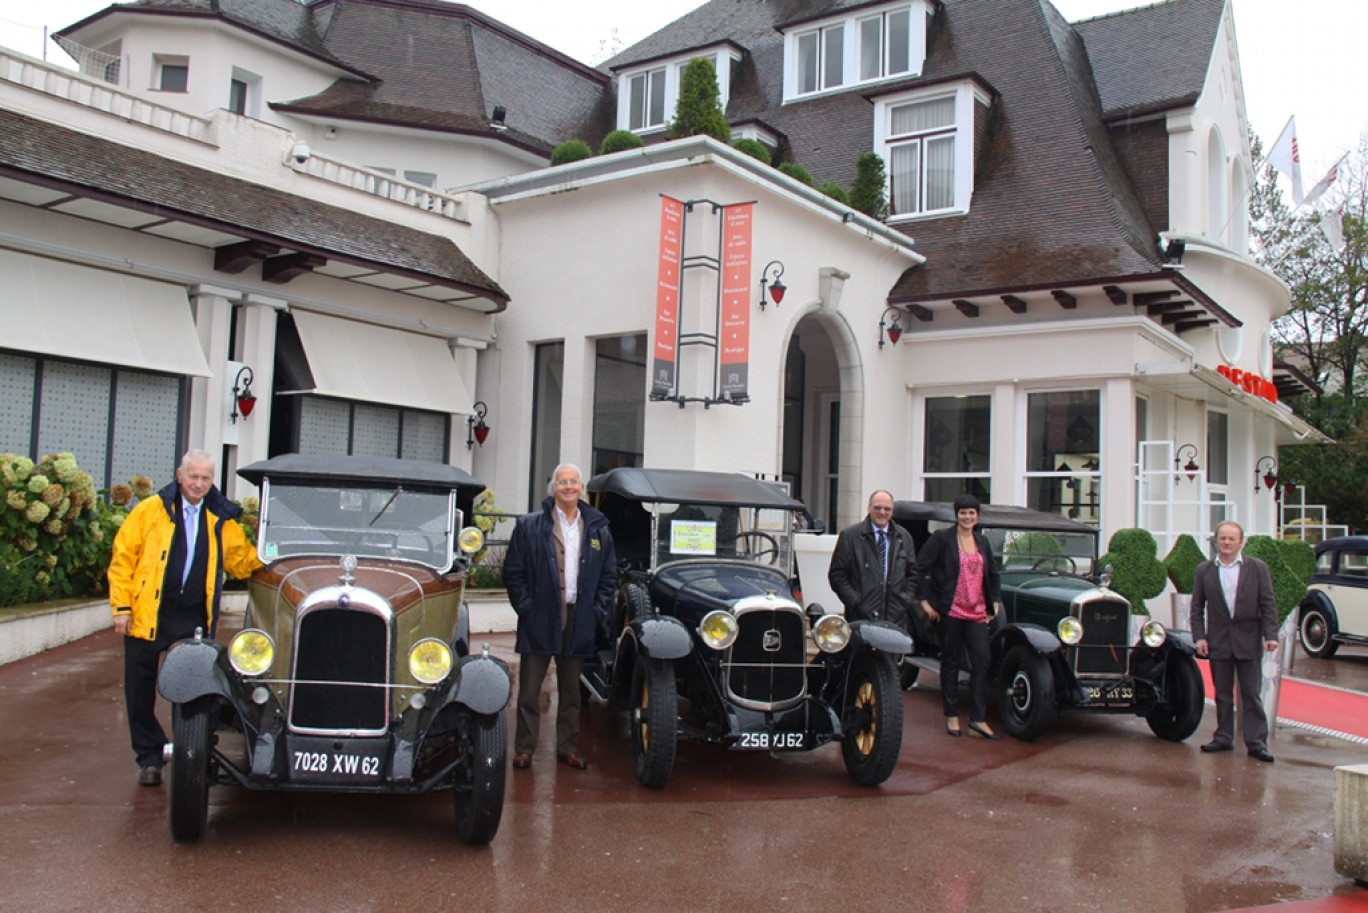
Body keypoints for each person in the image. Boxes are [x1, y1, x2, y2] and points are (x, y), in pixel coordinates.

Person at [107, 450, 262, 785]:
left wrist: (276, 558)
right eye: (193, 476)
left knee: (193, 690)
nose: (198, 484)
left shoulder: (219, 519)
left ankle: (191, 753)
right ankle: (150, 757)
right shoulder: (150, 510)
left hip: (192, 616)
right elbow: (123, 558)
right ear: (180, 475)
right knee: (139, 692)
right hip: (148, 615)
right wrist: (122, 608)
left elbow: (243, 561)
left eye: (206, 478)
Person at [503, 463, 617, 771]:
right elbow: (513, 573)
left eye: (573, 482)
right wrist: (526, 607)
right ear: (554, 488)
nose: (568, 486)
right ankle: (524, 749)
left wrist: (595, 611)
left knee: (571, 692)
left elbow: (609, 576)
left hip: (578, 617)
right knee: (529, 691)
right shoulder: (530, 526)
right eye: (562, 481)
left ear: (581, 488)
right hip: (539, 616)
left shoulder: (597, 527)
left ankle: (567, 747)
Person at [1189, 520, 1279, 762]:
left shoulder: (1257, 568)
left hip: (1249, 640)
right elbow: (1196, 607)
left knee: (1251, 693)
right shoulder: (1204, 570)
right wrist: (1199, 637)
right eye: (1223, 538)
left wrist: (1271, 635)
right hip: (1219, 641)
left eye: (1232, 539)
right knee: (1222, 694)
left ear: (1241, 542)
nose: (1227, 542)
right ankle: (1223, 737)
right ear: (1216, 541)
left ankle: (1257, 742)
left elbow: (1268, 604)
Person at [917, 493, 1002, 739]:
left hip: (976, 611)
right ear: (956, 515)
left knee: (983, 661)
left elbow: (993, 573)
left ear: (977, 516)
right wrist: (924, 600)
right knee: (951, 661)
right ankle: (952, 716)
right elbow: (920, 567)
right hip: (950, 610)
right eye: (963, 512)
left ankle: (977, 719)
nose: (967, 517)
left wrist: (994, 600)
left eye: (971, 513)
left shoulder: (982, 542)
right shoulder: (942, 539)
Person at [827, 489, 918, 625]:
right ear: (869, 508)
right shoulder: (850, 536)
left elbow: (913, 575)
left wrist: (904, 601)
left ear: (892, 512)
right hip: (861, 619)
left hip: (895, 619)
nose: (882, 512)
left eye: (887, 509)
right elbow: (837, 575)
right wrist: (856, 602)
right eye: (877, 508)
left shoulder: (904, 537)